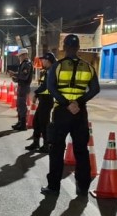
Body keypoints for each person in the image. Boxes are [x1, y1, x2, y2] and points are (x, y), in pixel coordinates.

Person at [41, 35, 100, 196]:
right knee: (81, 151)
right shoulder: (88, 67)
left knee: (57, 150)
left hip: (62, 112)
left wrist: (66, 103)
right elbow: (95, 89)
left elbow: (51, 87)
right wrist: (78, 102)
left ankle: (53, 187)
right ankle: (83, 187)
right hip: (80, 112)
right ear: (78, 47)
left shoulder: (57, 66)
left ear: (64, 47)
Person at [27, 51, 57, 153]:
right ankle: (36, 143)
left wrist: (36, 93)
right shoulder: (48, 71)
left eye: (43, 59)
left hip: (47, 100)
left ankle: (46, 145)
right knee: (37, 122)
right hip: (43, 99)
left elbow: (45, 86)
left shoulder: (51, 71)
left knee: (44, 124)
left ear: (48, 60)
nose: (42, 61)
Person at [11, 49, 32, 130]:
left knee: (22, 105)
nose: (19, 58)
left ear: (24, 55)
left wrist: (16, 77)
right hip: (21, 87)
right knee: (19, 105)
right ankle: (20, 122)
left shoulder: (27, 64)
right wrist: (15, 75)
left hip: (24, 87)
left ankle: (23, 124)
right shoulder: (23, 64)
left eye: (19, 56)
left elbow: (24, 77)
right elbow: (21, 75)